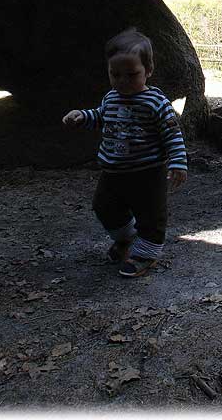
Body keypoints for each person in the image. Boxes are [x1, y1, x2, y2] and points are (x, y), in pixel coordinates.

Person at [62, 27, 188, 278]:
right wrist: (81, 117)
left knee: (151, 214)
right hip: (113, 171)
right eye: (115, 74)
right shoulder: (111, 98)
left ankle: (145, 254)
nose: (123, 81)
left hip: (148, 173)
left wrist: (178, 162)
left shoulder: (155, 102)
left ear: (148, 71)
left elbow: (172, 133)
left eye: (131, 75)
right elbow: (101, 116)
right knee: (104, 205)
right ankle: (127, 239)